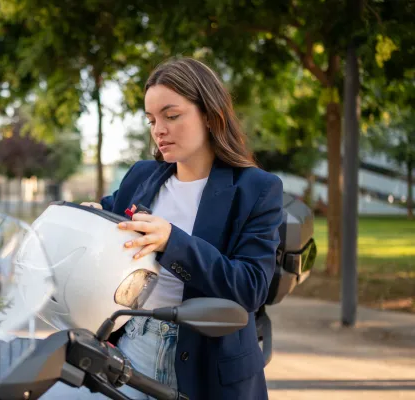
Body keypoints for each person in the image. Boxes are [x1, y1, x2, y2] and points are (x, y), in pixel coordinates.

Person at [81, 57, 284, 400]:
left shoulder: (257, 188)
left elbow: (250, 288)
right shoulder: (142, 176)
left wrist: (173, 241)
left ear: (209, 114)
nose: (159, 129)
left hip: (210, 366)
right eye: (151, 120)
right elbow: (110, 216)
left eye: (171, 116)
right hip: (133, 347)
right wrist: (90, 215)